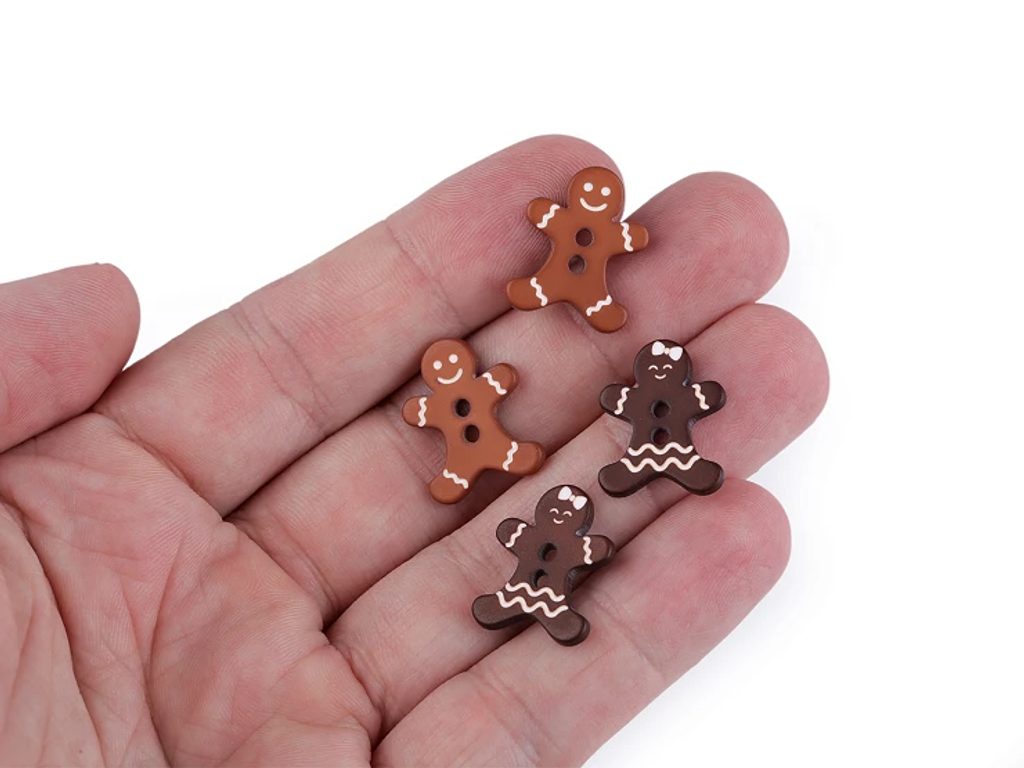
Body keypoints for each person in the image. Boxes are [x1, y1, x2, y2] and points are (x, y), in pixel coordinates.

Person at [0, 136, 827, 766]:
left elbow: (557, 494)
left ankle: (594, 477)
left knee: (515, 467)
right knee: (480, 463)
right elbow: (482, 429)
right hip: (484, 447)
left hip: (540, 446)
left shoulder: (572, 462)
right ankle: (549, 507)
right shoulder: (452, 396)